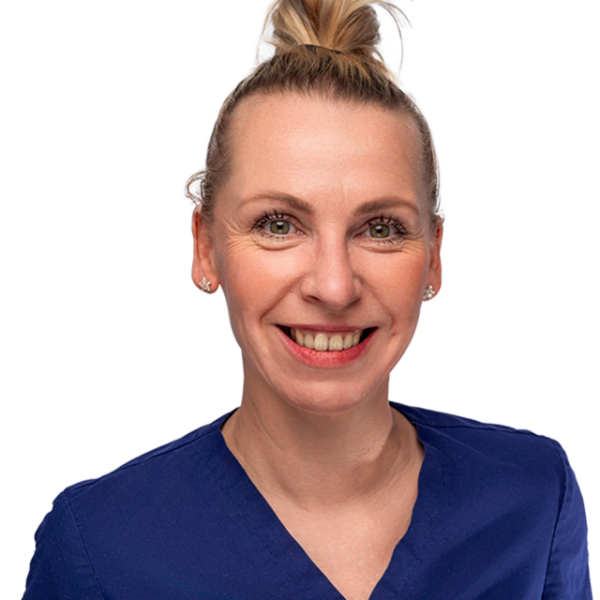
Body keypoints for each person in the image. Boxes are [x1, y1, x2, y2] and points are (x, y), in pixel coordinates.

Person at [22, 1, 592, 599]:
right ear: (205, 246)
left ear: (434, 256)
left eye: (381, 229)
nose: (334, 287)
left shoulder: (533, 495)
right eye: (278, 224)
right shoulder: (98, 549)